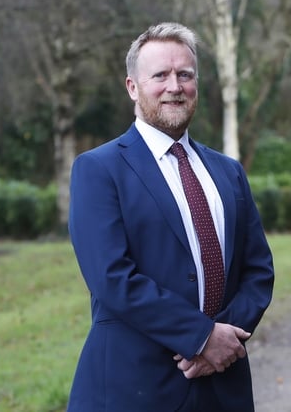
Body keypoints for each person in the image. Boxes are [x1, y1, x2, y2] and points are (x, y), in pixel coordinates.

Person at [67, 22, 274, 411]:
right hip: (134, 388)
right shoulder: (98, 169)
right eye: (160, 75)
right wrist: (201, 337)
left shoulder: (228, 171)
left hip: (223, 386)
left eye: (185, 75)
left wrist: (223, 342)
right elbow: (112, 277)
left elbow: (258, 270)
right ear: (133, 87)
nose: (174, 86)